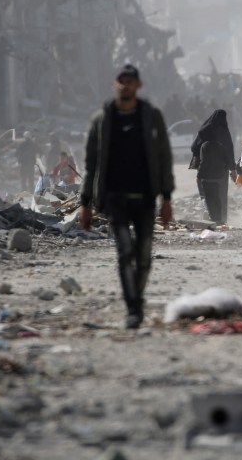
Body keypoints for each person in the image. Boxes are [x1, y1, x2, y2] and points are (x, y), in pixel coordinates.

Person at [79, 64, 174, 329]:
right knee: (124, 252)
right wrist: (85, 203)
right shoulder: (102, 119)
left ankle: (138, 298)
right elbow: (91, 163)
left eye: (130, 81)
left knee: (143, 255)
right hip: (114, 198)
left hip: (145, 197)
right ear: (114, 84)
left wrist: (167, 199)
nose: (125, 86)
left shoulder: (151, 116)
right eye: (121, 81)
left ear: (138, 86)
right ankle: (132, 307)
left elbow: (164, 157)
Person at [190, 110, 235, 224]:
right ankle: (221, 218)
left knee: (205, 193)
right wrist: (233, 169)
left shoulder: (205, 130)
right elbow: (229, 151)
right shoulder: (225, 132)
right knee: (220, 194)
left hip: (205, 169)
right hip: (221, 170)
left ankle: (208, 212)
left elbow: (194, 146)